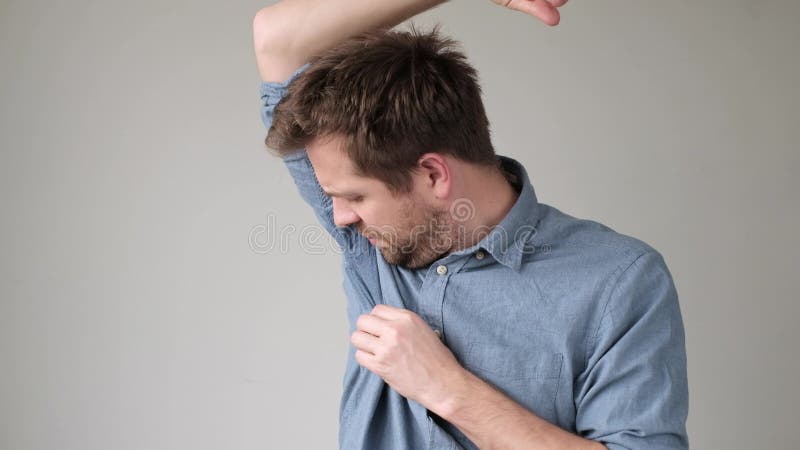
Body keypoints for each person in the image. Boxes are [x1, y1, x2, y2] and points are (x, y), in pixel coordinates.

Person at [252, 0, 689, 448]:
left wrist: (446, 388)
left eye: (356, 196)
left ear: (433, 175)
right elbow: (277, 38)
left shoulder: (618, 281)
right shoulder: (370, 244)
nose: (341, 218)